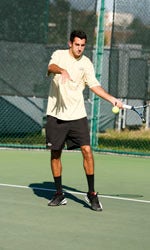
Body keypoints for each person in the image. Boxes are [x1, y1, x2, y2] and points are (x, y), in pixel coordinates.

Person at [46, 30, 123, 211]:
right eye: (77, 44)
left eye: (82, 45)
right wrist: (62, 70)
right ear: (70, 43)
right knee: (55, 153)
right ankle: (59, 193)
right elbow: (50, 68)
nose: (80, 48)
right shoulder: (59, 55)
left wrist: (112, 99)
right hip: (56, 114)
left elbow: (94, 85)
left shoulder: (86, 63)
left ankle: (92, 194)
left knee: (87, 151)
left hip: (77, 115)